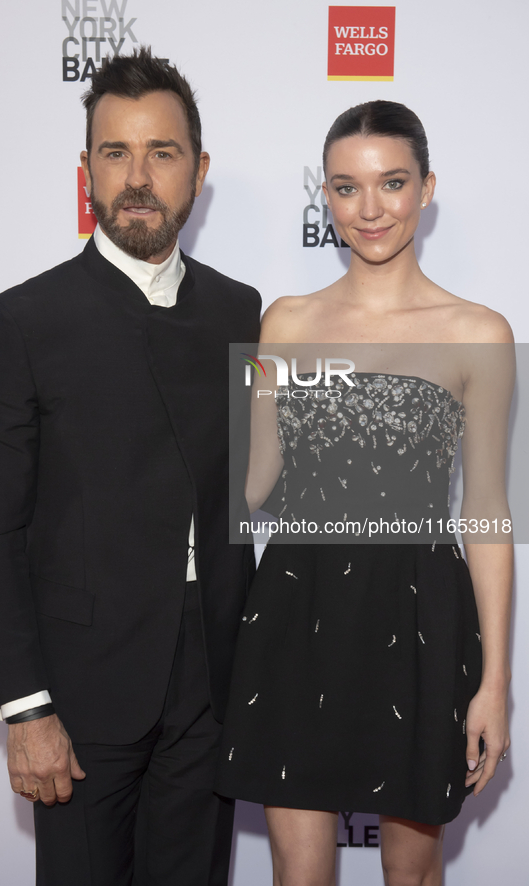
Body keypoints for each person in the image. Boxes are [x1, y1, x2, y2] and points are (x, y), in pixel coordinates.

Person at [0, 47, 260, 886]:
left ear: (196, 172)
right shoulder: (19, 322)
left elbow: (259, 488)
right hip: (80, 695)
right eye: (115, 153)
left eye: (161, 153)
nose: (138, 177)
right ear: (86, 169)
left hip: (210, 684)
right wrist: (25, 709)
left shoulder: (240, 311)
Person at [215, 101, 513, 885]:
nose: (370, 208)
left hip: (418, 615)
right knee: (297, 874)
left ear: (426, 188)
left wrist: (494, 685)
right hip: (293, 609)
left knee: (411, 875)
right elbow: (248, 484)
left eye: (391, 183)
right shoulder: (283, 323)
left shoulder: (477, 333)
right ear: (325, 197)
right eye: (346, 188)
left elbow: (485, 514)